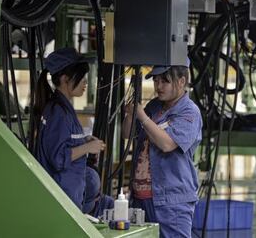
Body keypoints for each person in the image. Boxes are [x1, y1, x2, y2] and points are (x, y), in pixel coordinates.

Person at [122, 62, 202, 237]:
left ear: (181, 81)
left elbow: (167, 144)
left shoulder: (189, 113)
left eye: (164, 81)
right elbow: (127, 134)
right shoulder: (154, 107)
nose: (158, 86)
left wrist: (142, 116)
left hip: (170, 202)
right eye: (156, 81)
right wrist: (130, 113)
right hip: (141, 198)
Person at [34, 47, 113, 214]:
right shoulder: (57, 112)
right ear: (65, 79)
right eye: (81, 77)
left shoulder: (63, 109)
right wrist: (86, 148)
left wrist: (83, 141)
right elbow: (57, 158)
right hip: (61, 200)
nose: (85, 82)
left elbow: (63, 143)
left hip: (69, 197)